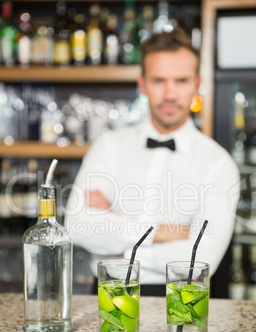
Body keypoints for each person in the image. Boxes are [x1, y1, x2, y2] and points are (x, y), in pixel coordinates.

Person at [64, 27, 240, 295]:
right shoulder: (109, 146)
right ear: (142, 84)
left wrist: (122, 251)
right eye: (159, 81)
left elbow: (202, 259)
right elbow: (76, 226)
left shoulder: (218, 164)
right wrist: (164, 231)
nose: (170, 94)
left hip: (179, 301)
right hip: (104, 295)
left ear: (197, 84)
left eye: (181, 81)